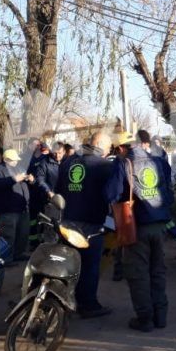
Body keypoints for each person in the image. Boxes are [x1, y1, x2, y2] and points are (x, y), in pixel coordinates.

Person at [107, 131, 174, 332]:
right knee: (158, 271)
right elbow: (169, 192)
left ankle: (145, 318)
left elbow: (111, 193)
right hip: (159, 224)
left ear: (120, 148)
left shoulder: (122, 163)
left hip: (136, 226)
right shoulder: (158, 161)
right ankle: (161, 316)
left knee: (138, 274)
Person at [56, 132, 113, 318]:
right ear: (103, 146)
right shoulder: (105, 166)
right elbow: (112, 194)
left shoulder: (68, 163)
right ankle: (88, 304)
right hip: (91, 225)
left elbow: (58, 191)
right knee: (89, 266)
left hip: (66, 221)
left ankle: (62, 300)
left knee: (68, 264)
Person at [0, 149, 33, 262]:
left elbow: (25, 183)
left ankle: (18, 254)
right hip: (9, 209)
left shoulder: (18, 168)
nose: (16, 162)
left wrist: (31, 180)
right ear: (6, 159)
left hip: (23, 208)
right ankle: (7, 259)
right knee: (8, 235)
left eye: (16, 160)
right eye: (13, 160)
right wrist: (13, 179)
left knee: (22, 234)